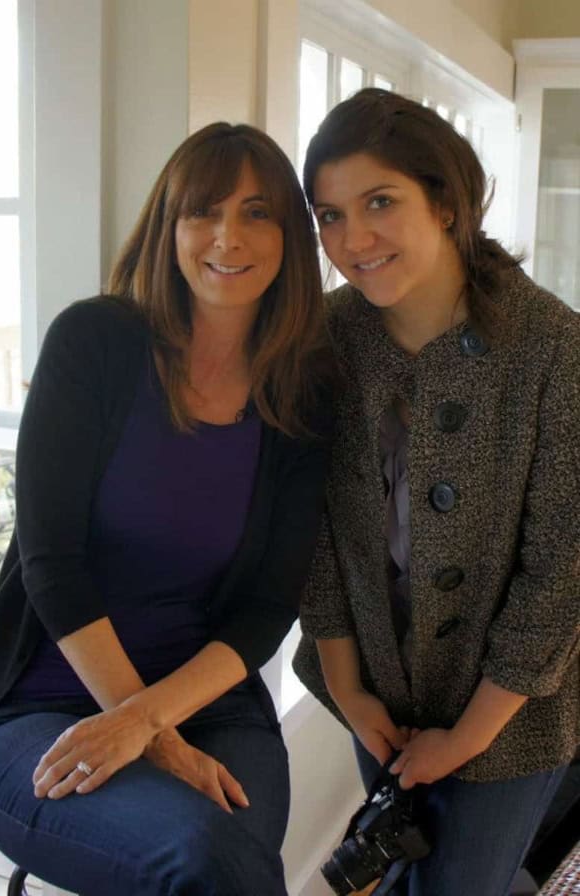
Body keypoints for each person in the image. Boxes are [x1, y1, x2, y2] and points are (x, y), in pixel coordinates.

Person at [0, 122, 334, 896]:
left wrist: (152, 722)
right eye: (203, 211)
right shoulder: (94, 342)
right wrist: (150, 737)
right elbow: (51, 565)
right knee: (205, 862)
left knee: (226, 862)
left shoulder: (302, 393)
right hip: (40, 705)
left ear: (291, 236)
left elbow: (268, 607)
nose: (227, 237)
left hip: (208, 703)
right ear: (168, 225)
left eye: (257, 212)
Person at [293, 88, 580, 896]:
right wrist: (347, 686)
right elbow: (315, 531)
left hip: (512, 715)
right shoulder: (327, 337)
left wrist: (465, 739)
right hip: (374, 689)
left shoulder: (555, 348)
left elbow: (560, 572)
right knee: (396, 864)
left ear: (446, 202)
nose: (353, 239)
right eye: (329, 215)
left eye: (380, 202)